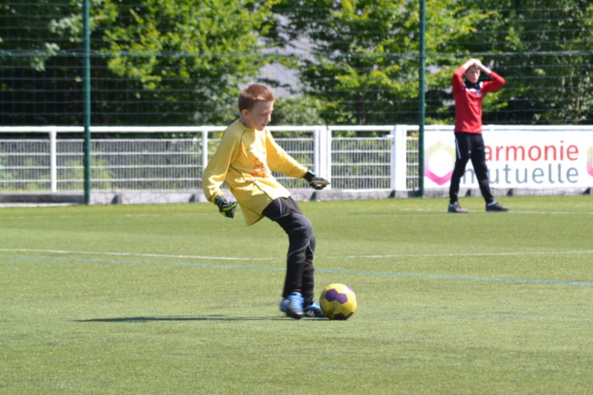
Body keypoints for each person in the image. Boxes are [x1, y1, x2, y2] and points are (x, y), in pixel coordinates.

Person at [202, 84, 330, 319]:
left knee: (307, 236)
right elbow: (212, 172)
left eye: (270, 113)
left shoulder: (261, 130)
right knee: (301, 227)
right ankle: (291, 296)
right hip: (252, 191)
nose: (268, 119)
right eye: (263, 114)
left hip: (271, 188)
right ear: (245, 113)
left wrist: (307, 175)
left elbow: (277, 158)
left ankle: (307, 302)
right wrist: (218, 197)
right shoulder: (234, 134)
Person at [448, 58, 510, 213]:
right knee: (460, 167)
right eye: (472, 71)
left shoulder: (481, 88)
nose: (475, 74)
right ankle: (453, 203)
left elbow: (500, 81)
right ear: (467, 72)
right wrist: (469, 62)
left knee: (481, 169)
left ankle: (490, 202)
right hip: (463, 133)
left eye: (477, 72)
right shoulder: (460, 87)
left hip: (477, 134)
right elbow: (456, 75)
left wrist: (483, 67)